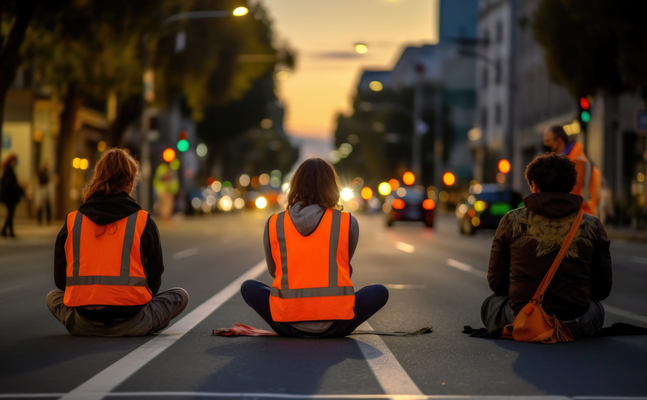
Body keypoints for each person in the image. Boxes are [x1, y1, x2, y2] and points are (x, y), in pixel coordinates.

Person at [46, 148, 189, 336]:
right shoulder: (143, 221)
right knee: (180, 295)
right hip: (133, 322)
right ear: (130, 183)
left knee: (52, 297)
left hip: (84, 323)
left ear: (97, 177)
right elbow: (154, 281)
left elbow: (60, 281)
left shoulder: (73, 220)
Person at [241, 158, 389, 338]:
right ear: (332, 187)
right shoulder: (347, 223)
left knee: (249, 287)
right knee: (379, 292)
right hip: (336, 324)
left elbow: (274, 272)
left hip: (287, 324)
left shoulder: (274, 223)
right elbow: (343, 267)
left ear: (295, 186)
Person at [481, 153, 612, 338]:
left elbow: (496, 283)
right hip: (577, 323)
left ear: (534, 185)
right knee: (596, 307)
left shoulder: (511, 220)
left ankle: (531, 326)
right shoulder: (593, 224)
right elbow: (602, 289)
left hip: (524, 317)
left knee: (490, 303)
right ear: (571, 186)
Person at [543, 125, 602, 216]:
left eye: (547, 141)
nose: (545, 145)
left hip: (581, 217)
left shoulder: (576, 161)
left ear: (559, 142)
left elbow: (573, 194)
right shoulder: (571, 159)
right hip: (580, 216)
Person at [1, 154, 25, 238]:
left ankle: (7, 231)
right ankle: (6, 231)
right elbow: (11, 183)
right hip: (9, 196)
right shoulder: (8, 170)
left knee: (10, 214)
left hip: (9, 196)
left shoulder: (8, 169)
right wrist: (20, 191)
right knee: (10, 214)